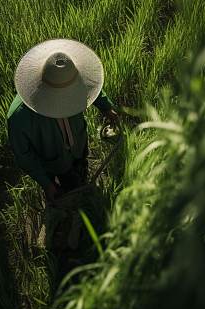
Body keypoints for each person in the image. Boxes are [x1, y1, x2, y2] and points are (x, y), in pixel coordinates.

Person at [7, 38, 120, 203]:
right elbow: (24, 156)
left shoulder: (72, 79)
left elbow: (90, 88)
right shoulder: (19, 117)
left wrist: (106, 107)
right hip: (53, 162)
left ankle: (81, 175)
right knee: (68, 190)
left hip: (79, 142)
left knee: (81, 166)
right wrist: (47, 184)